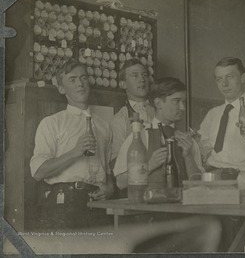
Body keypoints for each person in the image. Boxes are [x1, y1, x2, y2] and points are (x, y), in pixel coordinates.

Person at [30, 58, 114, 230]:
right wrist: (75, 152)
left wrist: (110, 187)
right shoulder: (52, 123)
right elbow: (38, 172)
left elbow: (109, 169)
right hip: (65, 202)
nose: (80, 84)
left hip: (99, 202)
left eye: (83, 78)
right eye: (72, 79)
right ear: (61, 88)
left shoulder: (103, 125)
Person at [114, 77, 203, 189]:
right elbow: (121, 182)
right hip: (148, 206)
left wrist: (188, 156)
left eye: (183, 102)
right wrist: (150, 165)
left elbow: (199, 186)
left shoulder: (188, 141)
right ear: (158, 103)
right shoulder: (139, 137)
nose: (183, 107)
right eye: (177, 101)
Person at [198, 57, 245, 179]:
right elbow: (202, 152)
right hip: (211, 176)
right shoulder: (212, 114)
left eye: (230, 77)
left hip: (240, 178)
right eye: (219, 79)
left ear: (243, 78)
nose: (224, 84)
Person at [110, 59, 155, 164]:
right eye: (135, 76)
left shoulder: (159, 110)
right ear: (123, 84)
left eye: (144, 75)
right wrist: (128, 140)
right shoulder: (119, 119)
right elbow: (114, 162)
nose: (142, 79)